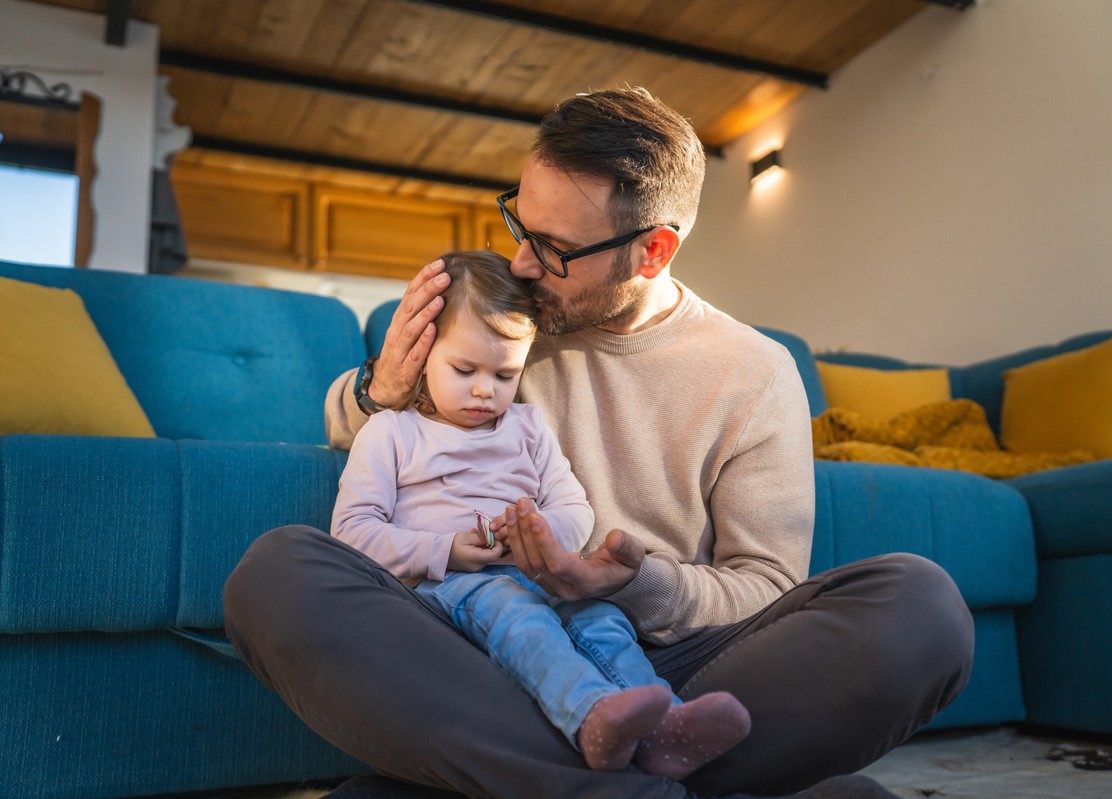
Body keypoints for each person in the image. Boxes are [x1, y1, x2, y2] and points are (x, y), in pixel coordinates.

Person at [224, 87, 974, 799]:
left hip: (668, 658)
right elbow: (354, 427)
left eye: (552, 248)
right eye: (519, 223)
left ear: (651, 251)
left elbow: (764, 590)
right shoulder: (502, 323)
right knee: (275, 574)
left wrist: (625, 583)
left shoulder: (754, 373)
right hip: (477, 642)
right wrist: (379, 387)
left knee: (922, 607)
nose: (521, 264)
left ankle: (542, 775)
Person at [331, 250, 751, 778]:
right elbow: (350, 533)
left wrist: (540, 536)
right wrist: (447, 551)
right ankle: (589, 717)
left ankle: (665, 725)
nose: (486, 390)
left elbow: (572, 505)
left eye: (505, 375)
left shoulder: (527, 427)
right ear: (423, 353)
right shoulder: (392, 432)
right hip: (447, 585)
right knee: (518, 614)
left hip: (537, 570)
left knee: (603, 618)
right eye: (464, 369)